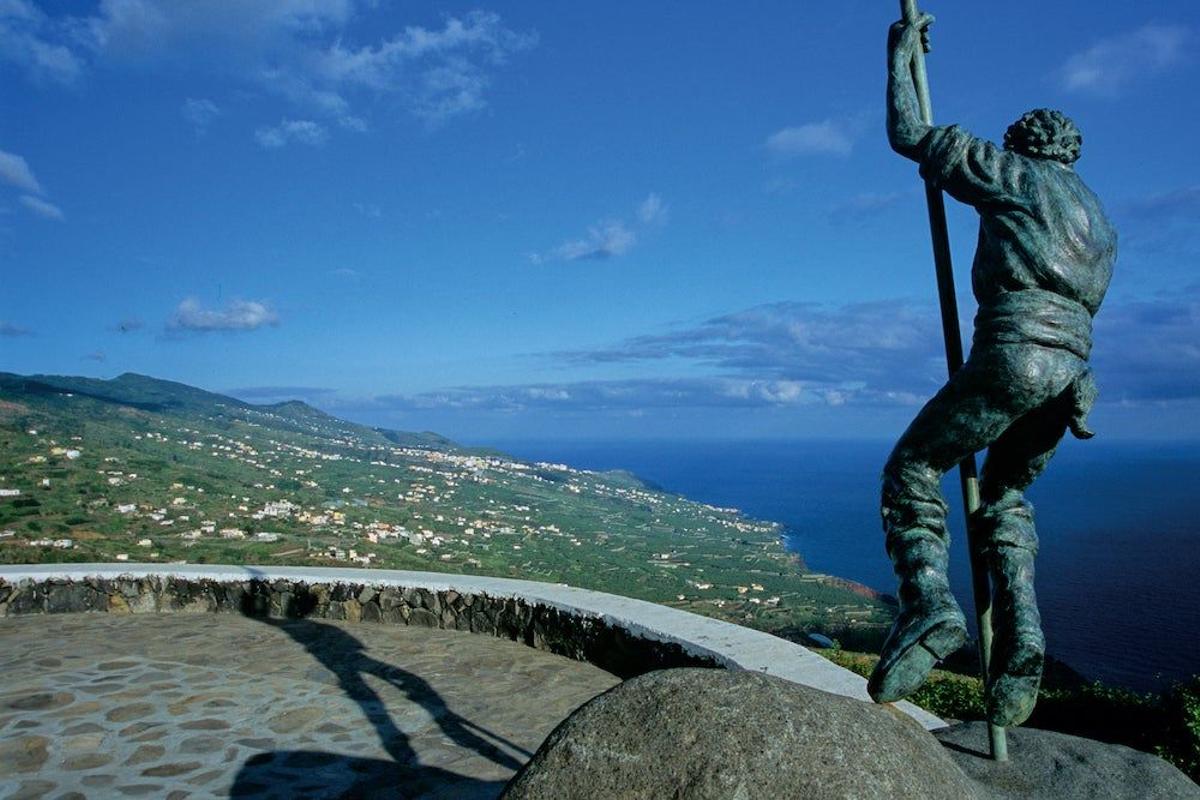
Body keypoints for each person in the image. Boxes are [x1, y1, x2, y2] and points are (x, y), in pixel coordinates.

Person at [869, 14, 1117, 727]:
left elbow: (911, 134)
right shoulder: (1099, 217)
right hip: (1072, 374)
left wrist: (899, 56)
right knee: (1004, 500)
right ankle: (1022, 643)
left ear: (1022, 145)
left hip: (1016, 355)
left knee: (912, 468)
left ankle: (928, 609)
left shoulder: (1015, 177)